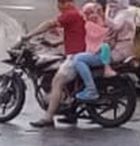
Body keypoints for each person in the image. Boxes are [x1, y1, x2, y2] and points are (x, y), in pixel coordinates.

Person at [23, 0, 93, 128]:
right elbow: (76, 34)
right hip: (80, 53)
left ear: (67, 3)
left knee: (57, 82)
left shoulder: (70, 14)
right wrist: (57, 43)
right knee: (65, 79)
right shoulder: (78, 14)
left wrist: (29, 35)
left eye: (60, 3)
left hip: (75, 57)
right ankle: (71, 113)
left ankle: (48, 118)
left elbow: (49, 24)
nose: (59, 7)